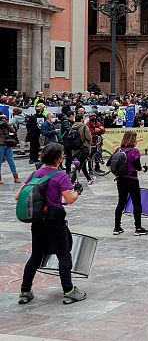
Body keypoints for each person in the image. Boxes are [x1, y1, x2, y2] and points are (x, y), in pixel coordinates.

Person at [16, 143, 86, 305]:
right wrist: (78, 192)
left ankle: (25, 291)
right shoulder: (60, 176)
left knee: (36, 255)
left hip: (37, 220)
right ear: (58, 159)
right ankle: (69, 291)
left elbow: (17, 195)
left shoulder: (36, 173)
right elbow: (69, 200)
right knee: (64, 254)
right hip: (54, 220)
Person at [112, 130, 148, 236]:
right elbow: (138, 167)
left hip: (120, 179)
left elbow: (109, 164)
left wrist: (117, 174)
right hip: (132, 179)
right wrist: (144, 169)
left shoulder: (118, 150)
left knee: (121, 202)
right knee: (136, 203)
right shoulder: (135, 151)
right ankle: (138, 228)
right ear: (133, 139)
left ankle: (117, 227)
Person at [64, 114, 92, 186]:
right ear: (82, 119)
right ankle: (71, 182)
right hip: (84, 149)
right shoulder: (84, 127)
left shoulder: (72, 127)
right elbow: (89, 138)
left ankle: (89, 179)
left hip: (75, 149)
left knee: (82, 164)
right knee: (78, 166)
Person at [0, 113, 20, 183]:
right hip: (0, 144)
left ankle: (16, 177)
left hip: (7, 144)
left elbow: (13, 130)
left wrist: (6, 124)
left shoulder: (6, 124)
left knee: (11, 161)